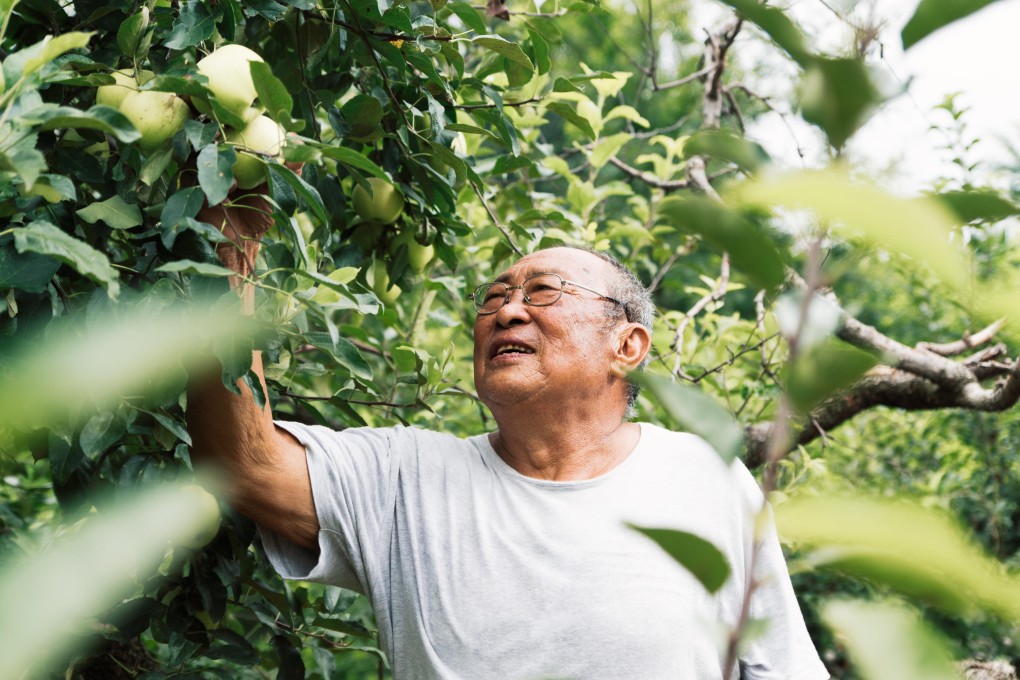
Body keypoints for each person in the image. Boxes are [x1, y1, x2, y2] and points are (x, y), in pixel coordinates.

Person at [187, 189, 829, 680]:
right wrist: (229, 256)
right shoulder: (405, 476)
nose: (508, 310)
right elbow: (246, 464)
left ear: (626, 345)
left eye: (543, 291)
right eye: (493, 299)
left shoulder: (701, 476)